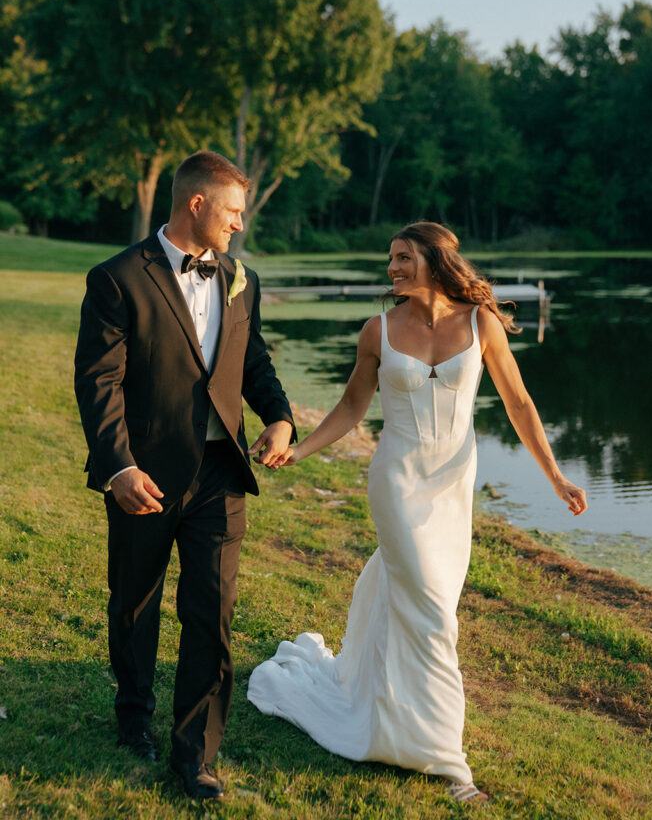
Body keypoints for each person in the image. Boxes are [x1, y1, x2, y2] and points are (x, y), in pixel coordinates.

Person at [247, 221, 587, 806]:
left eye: (403, 257)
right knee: (433, 614)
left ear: (434, 260)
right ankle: (452, 764)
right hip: (398, 481)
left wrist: (554, 474)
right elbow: (354, 404)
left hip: (452, 488)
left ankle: (390, 710)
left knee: (425, 603)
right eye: (390, 260)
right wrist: (298, 448)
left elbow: (519, 402)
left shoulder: (480, 323)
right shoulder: (377, 330)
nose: (393, 268)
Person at [74, 151, 295, 802]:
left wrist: (279, 418)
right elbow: (99, 384)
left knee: (212, 612)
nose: (239, 227)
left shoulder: (239, 279)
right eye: (232, 212)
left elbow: (253, 362)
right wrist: (118, 466)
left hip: (221, 473)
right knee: (134, 603)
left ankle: (194, 753)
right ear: (196, 205)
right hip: (143, 473)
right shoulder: (117, 278)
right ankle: (133, 716)